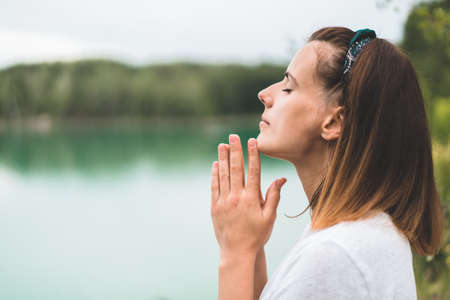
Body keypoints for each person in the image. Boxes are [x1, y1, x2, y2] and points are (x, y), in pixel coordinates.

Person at [210, 26, 444, 300]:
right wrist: (252, 248)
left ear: (334, 122)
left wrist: (234, 252)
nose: (264, 94)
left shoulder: (333, 256)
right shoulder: (362, 232)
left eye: (288, 87)